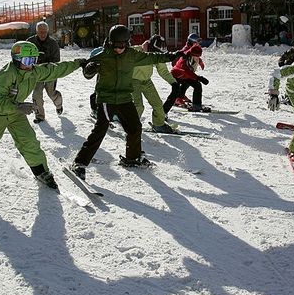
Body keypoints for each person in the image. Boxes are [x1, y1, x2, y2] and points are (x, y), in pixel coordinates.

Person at [0, 42, 88, 195]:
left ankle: (41, 171)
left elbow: (54, 69)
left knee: (29, 141)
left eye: (34, 60)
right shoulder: (5, 75)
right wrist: (18, 107)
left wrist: (78, 63)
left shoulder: (33, 72)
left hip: (16, 112)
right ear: (16, 59)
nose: (31, 65)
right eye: (27, 61)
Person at [70, 25, 181, 179]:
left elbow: (152, 57)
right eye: (115, 45)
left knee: (135, 127)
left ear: (127, 43)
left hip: (124, 98)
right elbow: (87, 73)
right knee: (100, 130)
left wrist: (171, 56)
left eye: (122, 45)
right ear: (110, 42)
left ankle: (132, 158)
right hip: (106, 98)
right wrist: (89, 69)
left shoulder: (132, 55)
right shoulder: (103, 55)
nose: (118, 49)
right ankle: (79, 163)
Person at [132, 35, 177, 133]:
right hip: (133, 81)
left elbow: (163, 71)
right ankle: (130, 125)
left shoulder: (156, 55)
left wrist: (174, 83)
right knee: (138, 106)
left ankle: (159, 124)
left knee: (157, 104)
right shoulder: (135, 51)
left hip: (147, 81)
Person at [27, 21, 62, 123]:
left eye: (44, 32)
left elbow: (56, 61)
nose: (42, 34)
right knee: (36, 94)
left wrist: (46, 64)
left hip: (50, 72)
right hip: (36, 72)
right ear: (36, 31)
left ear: (47, 32)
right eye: (40, 32)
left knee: (51, 93)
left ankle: (59, 105)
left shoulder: (53, 43)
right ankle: (40, 116)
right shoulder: (30, 42)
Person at [163, 43, 209, 113]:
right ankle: (168, 108)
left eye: (199, 56)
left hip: (185, 76)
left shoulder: (194, 54)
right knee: (176, 90)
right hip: (176, 75)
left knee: (197, 85)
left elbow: (198, 59)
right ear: (192, 54)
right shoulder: (185, 58)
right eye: (196, 56)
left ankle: (196, 106)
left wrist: (201, 63)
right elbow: (187, 71)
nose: (198, 57)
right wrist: (199, 78)